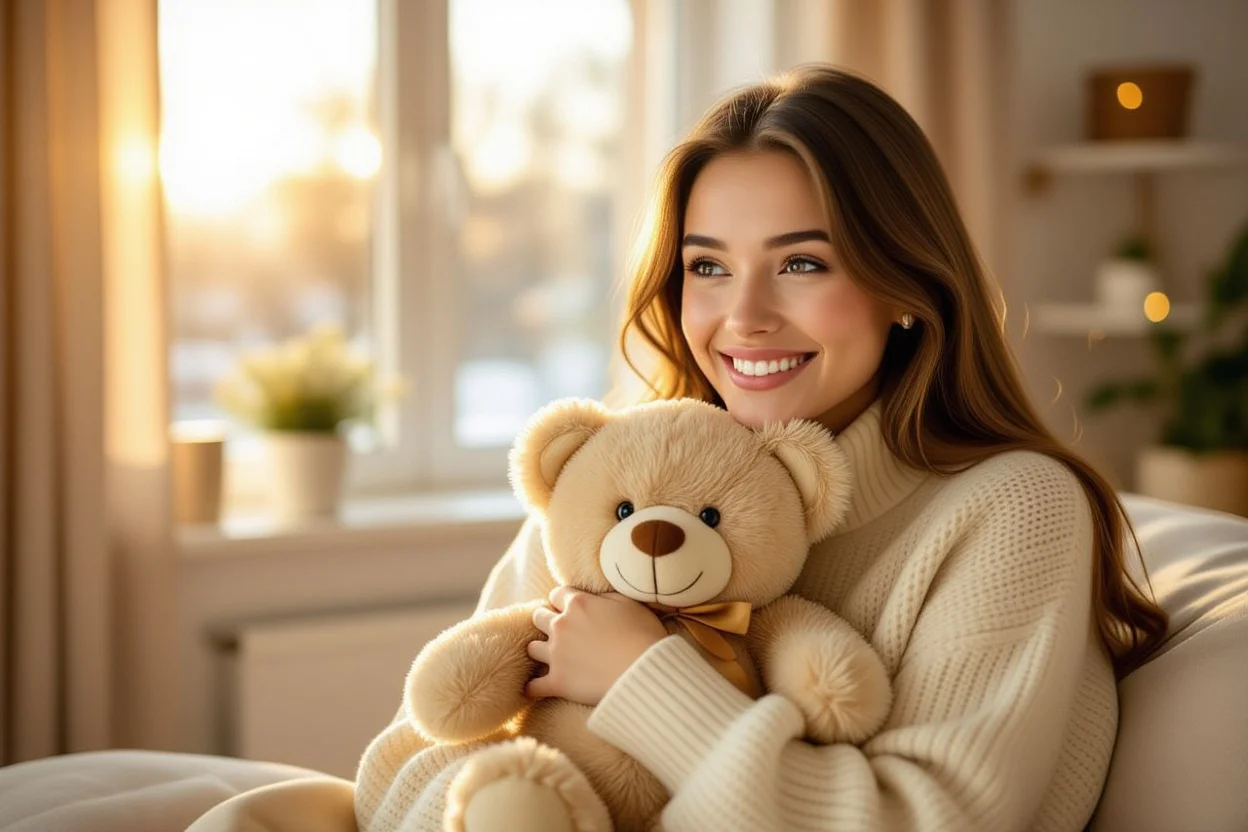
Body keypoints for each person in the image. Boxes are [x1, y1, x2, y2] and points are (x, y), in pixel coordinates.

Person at [354, 64, 1168, 832]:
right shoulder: (618, 485)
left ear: (906, 290)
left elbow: (920, 818)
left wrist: (642, 681)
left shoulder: (1014, 509)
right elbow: (399, 773)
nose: (744, 316)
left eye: (802, 263)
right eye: (708, 266)